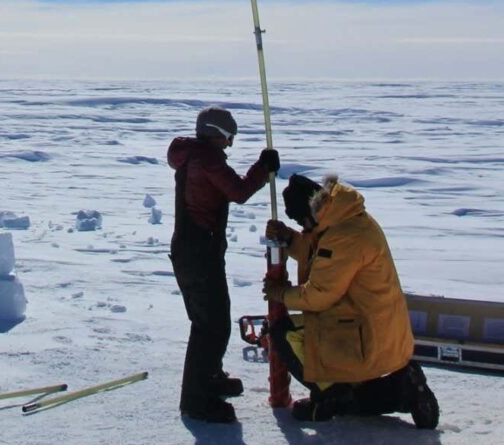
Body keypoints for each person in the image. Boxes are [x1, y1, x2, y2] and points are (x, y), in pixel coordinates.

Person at [264, 173, 439, 428]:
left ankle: (345, 394)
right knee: (298, 334)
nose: (304, 228)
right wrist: (290, 239)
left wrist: (279, 293)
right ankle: (394, 385)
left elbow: (319, 294)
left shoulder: (342, 237)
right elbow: (319, 255)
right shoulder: (343, 218)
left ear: (312, 214)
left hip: (365, 333)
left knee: (284, 334)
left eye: (302, 222)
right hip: (370, 324)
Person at [168, 106, 280, 423]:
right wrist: (263, 167)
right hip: (198, 252)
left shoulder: (195, 155)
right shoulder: (206, 159)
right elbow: (238, 191)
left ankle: (211, 378)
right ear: (214, 133)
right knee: (210, 325)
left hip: (195, 249)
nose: (230, 144)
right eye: (229, 137)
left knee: (215, 321)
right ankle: (197, 401)